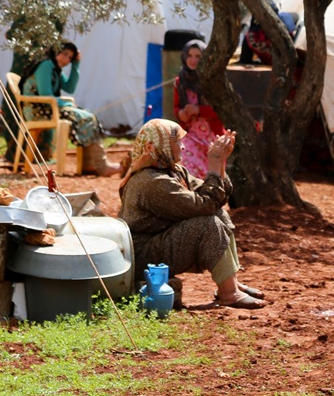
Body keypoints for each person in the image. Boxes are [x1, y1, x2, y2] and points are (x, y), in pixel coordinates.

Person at [118, 119, 265, 309]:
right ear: (159, 147)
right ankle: (229, 294)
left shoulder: (173, 172)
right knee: (208, 224)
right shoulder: (151, 181)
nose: (182, 145)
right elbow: (204, 205)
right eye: (177, 142)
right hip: (143, 256)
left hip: (158, 243)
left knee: (219, 215)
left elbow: (214, 200)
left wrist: (220, 164)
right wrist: (213, 163)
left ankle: (231, 284)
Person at [19, 41, 120, 176]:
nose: (66, 60)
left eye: (70, 57)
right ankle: (102, 166)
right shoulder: (46, 65)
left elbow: (70, 88)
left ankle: (88, 164)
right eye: (64, 54)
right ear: (56, 51)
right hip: (37, 110)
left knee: (87, 115)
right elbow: (45, 95)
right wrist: (67, 105)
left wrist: (76, 65)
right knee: (85, 117)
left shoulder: (55, 69)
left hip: (49, 108)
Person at [173, 39, 227, 179]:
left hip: (212, 136)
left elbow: (221, 109)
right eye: (190, 56)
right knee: (190, 170)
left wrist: (199, 110)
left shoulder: (212, 81)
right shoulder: (180, 82)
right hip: (191, 134)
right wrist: (181, 114)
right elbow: (176, 107)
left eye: (198, 56)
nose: (193, 60)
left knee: (212, 176)